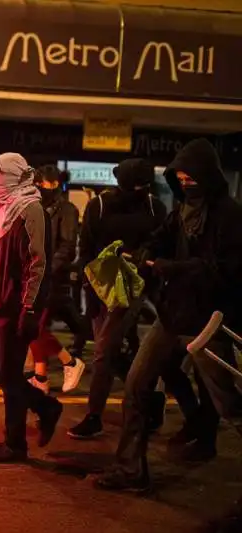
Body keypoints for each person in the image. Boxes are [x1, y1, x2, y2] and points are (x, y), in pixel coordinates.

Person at [94, 139, 242, 492]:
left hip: (207, 323)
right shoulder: (180, 210)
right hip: (171, 316)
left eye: (192, 176)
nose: (186, 182)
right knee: (136, 386)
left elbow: (224, 271)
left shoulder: (230, 216)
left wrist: (168, 268)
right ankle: (130, 471)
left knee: (230, 405)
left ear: (207, 175)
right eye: (180, 177)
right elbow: (160, 239)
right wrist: (140, 256)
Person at [68, 159, 167, 440]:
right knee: (116, 353)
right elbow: (86, 249)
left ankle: (94, 416)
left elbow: (161, 245)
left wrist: (144, 257)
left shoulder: (154, 208)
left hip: (136, 289)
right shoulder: (99, 206)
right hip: (102, 287)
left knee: (103, 352)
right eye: (136, 183)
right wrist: (89, 289)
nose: (140, 189)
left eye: (145, 184)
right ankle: (150, 401)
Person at [0, 153, 62, 463]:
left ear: (12, 176)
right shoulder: (2, 208)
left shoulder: (30, 209)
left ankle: (15, 444)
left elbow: (37, 263)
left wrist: (29, 308)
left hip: (16, 306)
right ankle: (44, 406)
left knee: (9, 376)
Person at [26, 165, 86, 394]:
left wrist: (47, 269)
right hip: (35, 275)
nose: (44, 188)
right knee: (32, 327)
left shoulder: (67, 210)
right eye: (41, 184)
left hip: (51, 278)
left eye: (49, 184)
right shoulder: (36, 207)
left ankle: (69, 362)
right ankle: (41, 377)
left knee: (34, 327)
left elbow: (67, 246)